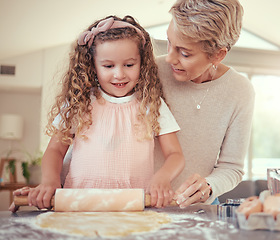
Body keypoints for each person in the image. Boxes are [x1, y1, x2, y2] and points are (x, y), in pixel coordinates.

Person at [9, 15, 185, 212]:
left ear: (142, 63)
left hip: (133, 204)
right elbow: (55, 150)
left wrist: (162, 177)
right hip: (78, 202)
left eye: (129, 65)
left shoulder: (152, 103)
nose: (119, 74)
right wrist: (50, 181)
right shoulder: (79, 103)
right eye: (108, 66)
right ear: (92, 66)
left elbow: (175, 154)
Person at [153, 0, 255, 208]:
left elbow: (232, 167)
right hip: (143, 205)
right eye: (168, 42)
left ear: (218, 55)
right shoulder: (150, 71)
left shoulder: (240, 91)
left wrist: (209, 186)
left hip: (196, 210)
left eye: (185, 53)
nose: (169, 58)